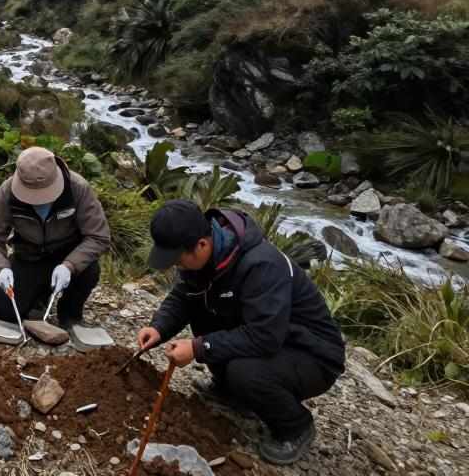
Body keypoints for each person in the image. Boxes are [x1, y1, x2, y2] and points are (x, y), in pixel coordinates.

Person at [137, 199, 346, 466]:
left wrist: (198, 348)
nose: (177, 267)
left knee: (244, 372)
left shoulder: (262, 265)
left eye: (178, 259)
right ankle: (232, 393)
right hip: (268, 338)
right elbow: (183, 297)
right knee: (205, 309)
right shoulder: (204, 261)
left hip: (311, 354)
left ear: (202, 244)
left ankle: (295, 426)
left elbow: (264, 337)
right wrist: (158, 327)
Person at [0, 146, 111, 329]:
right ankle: (40, 296)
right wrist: (0, 268)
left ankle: (70, 313)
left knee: (90, 270)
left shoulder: (77, 188)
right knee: (4, 311)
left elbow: (98, 237)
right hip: (29, 256)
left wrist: (69, 266)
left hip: (67, 253)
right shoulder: (7, 192)